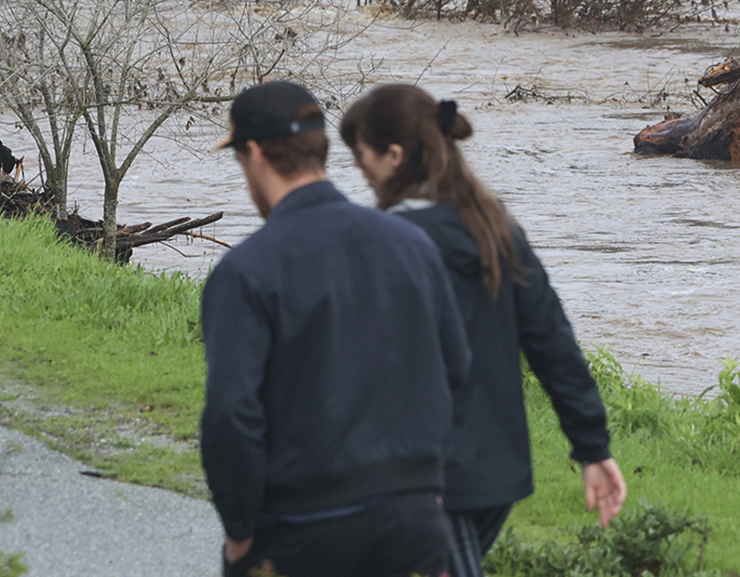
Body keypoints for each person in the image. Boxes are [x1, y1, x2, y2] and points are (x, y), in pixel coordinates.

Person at [339, 83, 627, 577]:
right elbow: (553, 344)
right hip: (495, 473)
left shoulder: (387, 243)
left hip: (423, 477)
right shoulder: (495, 229)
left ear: (393, 156)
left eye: (360, 154)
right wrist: (593, 448)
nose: (358, 168)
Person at [201, 80, 471, 577]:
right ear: (320, 148)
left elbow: (230, 415)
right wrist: (424, 489)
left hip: (302, 524)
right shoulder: (411, 245)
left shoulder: (247, 271)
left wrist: (240, 530)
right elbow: (454, 368)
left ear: (254, 154)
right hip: (412, 522)